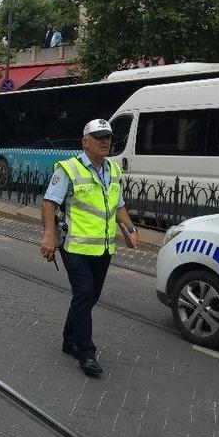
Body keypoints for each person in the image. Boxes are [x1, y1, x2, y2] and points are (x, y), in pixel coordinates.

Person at [40, 119, 139, 376]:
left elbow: (118, 206)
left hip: (103, 248)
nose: (106, 141)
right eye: (99, 137)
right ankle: (86, 352)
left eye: (108, 137)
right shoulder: (68, 169)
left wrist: (130, 229)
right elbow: (49, 203)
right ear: (85, 142)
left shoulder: (114, 170)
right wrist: (49, 236)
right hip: (75, 246)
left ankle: (68, 338)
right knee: (84, 295)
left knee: (90, 297)